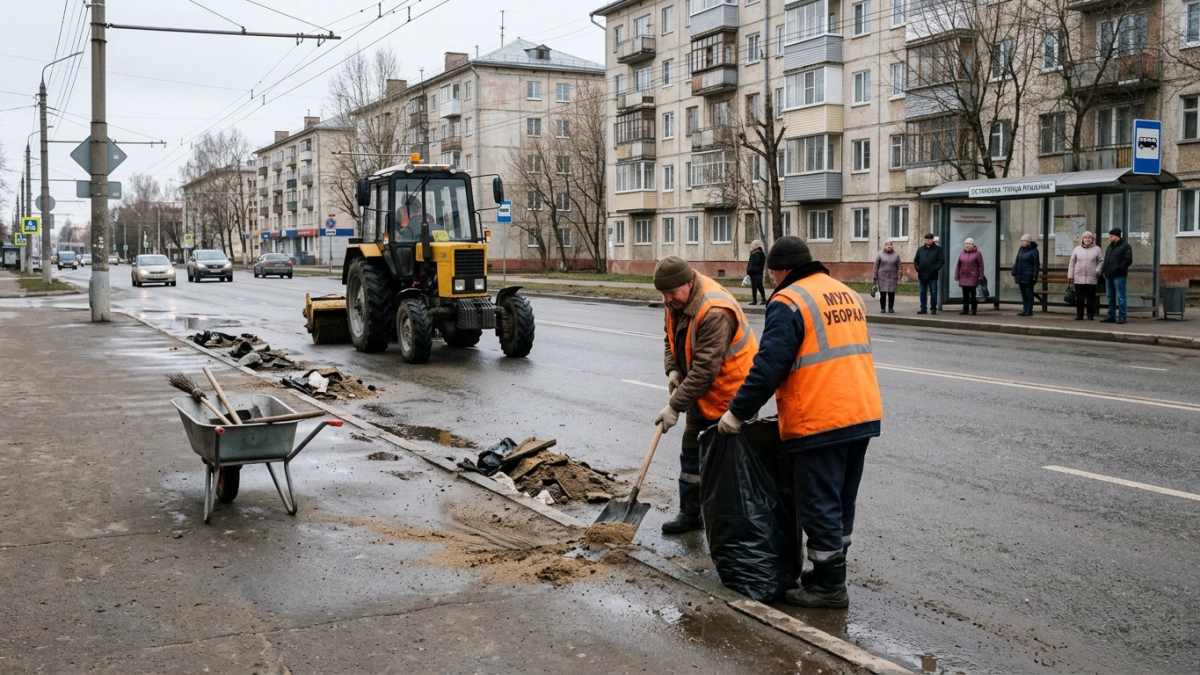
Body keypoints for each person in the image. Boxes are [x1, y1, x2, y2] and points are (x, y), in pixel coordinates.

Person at [716, 237, 882, 609]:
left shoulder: (789, 301)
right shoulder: (845, 293)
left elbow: (768, 366)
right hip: (862, 411)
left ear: (784, 270)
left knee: (819, 502)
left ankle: (829, 587)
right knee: (841, 501)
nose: (773, 279)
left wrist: (738, 412)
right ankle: (829, 571)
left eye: (774, 272)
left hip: (820, 418)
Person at [654, 256, 759, 534]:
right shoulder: (676, 299)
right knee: (691, 454)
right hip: (701, 394)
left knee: (729, 466)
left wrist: (674, 407)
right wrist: (673, 369)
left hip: (733, 396)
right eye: (662, 294)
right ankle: (690, 514)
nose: (666, 300)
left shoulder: (714, 310)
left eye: (671, 294)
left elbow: (704, 371)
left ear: (688, 284)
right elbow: (670, 337)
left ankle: (734, 525)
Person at [1067, 232, 1103, 321]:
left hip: (1092, 277)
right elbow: (1072, 263)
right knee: (1080, 298)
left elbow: (1101, 261)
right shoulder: (1076, 249)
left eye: (1089, 238)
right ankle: (1080, 315)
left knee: (1091, 298)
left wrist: (1097, 270)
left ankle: (1090, 315)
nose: (1087, 239)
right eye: (1085, 238)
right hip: (1079, 278)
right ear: (1082, 239)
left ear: (1092, 239)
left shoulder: (1097, 249)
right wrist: (1070, 275)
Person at [1101, 227, 1133, 324]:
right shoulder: (1109, 247)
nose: (1110, 238)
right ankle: (1111, 316)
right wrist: (1104, 270)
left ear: (1117, 236)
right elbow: (1106, 260)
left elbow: (1128, 260)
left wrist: (1119, 269)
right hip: (1109, 275)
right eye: (1110, 236)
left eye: (1112, 236)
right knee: (1110, 296)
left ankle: (1122, 316)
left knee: (1121, 297)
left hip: (1119, 275)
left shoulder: (1126, 246)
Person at [1010, 234, 1040, 316]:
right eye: (1021, 241)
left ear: (1028, 241)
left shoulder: (1034, 251)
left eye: (1024, 240)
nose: (1022, 242)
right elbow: (1017, 261)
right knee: (1023, 293)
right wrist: (1014, 273)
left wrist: (1034, 275)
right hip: (1021, 275)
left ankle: (1029, 310)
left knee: (1029, 293)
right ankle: (1025, 309)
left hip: (1029, 276)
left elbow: (1036, 264)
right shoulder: (1021, 249)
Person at [913, 233, 943, 314]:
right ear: (924, 240)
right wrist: (917, 268)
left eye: (929, 239)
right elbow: (916, 260)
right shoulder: (920, 249)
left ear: (933, 239)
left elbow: (941, 261)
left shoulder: (938, 249)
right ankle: (923, 308)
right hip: (922, 275)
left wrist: (935, 268)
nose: (928, 241)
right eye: (926, 239)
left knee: (933, 292)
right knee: (922, 292)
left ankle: (933, 308)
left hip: (932, 275)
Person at [954, 238, 985, 315]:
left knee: (974, 295)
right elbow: (958, 265)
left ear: (973, 245)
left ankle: (974, 310)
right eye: (966, 244)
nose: (967, 245)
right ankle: (965, 310)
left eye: (969, 244)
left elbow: (981, 266)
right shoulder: (962, 253)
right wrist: (957, 274)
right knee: (965, 295)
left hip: (973, 277)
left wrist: (980, 276)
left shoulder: (977, 254)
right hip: (964, 277)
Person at [873, 241, 902, 314]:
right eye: (887, 245)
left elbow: (899, 266)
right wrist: (875, 276)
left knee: (891, 294)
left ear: (892, 246)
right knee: (882, 294)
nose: (889, 246)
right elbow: (876, 266)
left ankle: (891, 308)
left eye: (890, 245)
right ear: (885, 246)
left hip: (892, 277)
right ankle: (882, 308)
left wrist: (899, 275)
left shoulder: (896, 255)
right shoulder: (880, 254)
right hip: (882, 277)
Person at [746, 239, 766, 305]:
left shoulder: (758, 254)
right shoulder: (754, 253)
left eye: (752, 245)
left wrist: (750, 270)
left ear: (756, 246)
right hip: (754, 272)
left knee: (758, 285)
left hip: (756, 272)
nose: (751, 246)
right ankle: (759, 299)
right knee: (756, 285)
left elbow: (756, 264)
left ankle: (758, 299)